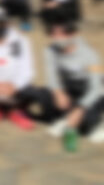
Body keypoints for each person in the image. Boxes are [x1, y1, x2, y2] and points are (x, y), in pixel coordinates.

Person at [42, 22, 104, 150]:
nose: (58, 38)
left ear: (74, 34)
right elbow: (51, 77)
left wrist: (80, 109)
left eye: (63, 33)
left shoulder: (91, 54)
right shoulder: (50, 50)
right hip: (72, 87)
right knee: (46, 97)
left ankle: (98, 123)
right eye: (53, 33)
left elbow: (96, 87)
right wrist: (58, 92)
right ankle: (68, 118)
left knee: (87, 122)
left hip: (95, 89)